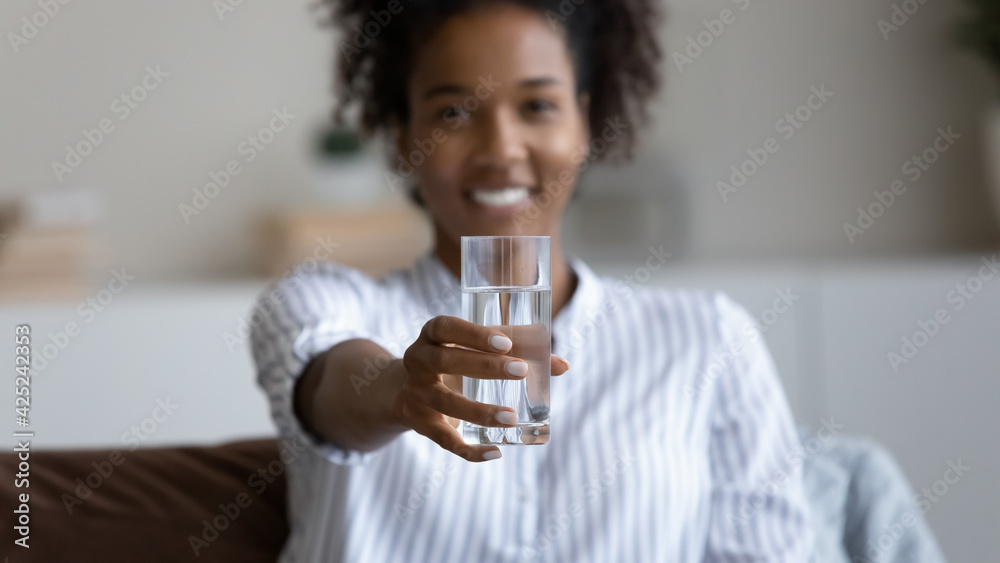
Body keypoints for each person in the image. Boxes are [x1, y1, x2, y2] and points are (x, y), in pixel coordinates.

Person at [250, 0, 814, 560]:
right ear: (403, 140)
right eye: (453, 113)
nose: (500, 149)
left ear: (584, 124)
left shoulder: (709, 339)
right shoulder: (321, 299)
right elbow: (333, 387)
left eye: (538, 105)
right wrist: (397, 388)